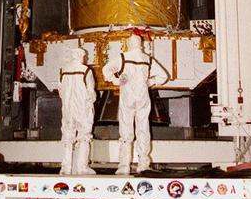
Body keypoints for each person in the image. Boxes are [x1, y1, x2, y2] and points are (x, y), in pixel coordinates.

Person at [102, 33, 169, 175]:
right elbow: (163, 76)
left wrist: (116, 81)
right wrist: (150, 82)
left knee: (126, 130)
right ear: (141, 44)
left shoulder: (123, 57)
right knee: (143, 129)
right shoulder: (147, 59)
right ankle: (143, 164)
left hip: (127, 97)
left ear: (129, 43)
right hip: (143, 97)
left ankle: (124, 166)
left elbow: (106, 69)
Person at [57, 43, 96, 175]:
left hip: (68, 109)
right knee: (84, 136)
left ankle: (65, 168)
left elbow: (60, 90)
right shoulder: (86, 71)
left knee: (68, 136)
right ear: (81, 57)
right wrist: (90, 102)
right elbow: (91, 92)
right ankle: (82, 167)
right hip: (82, 108)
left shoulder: (63, 70)